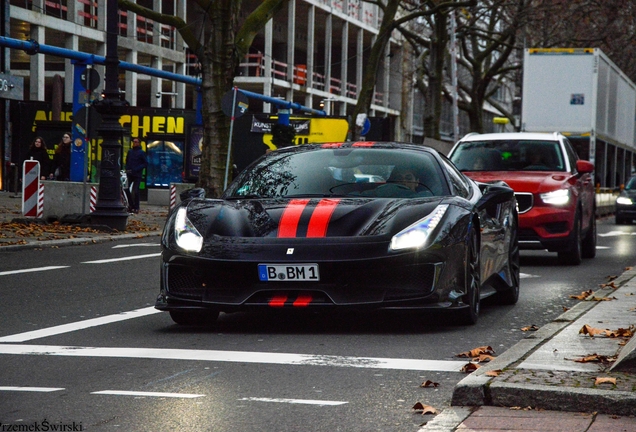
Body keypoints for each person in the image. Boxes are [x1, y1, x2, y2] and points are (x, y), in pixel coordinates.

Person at [125, 137, 148, 214]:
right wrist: (127, 169)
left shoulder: (141, 152)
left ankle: (136, 207)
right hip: (130, 173)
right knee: (126, 189)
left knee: (136, 190)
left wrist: (137, 169)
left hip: (137, 174)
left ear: (139, 143)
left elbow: (145, 163)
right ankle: (131, 205)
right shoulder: (130, 152)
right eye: (133, 141)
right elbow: (127, 161)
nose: (134, 143)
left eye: (136, 142)